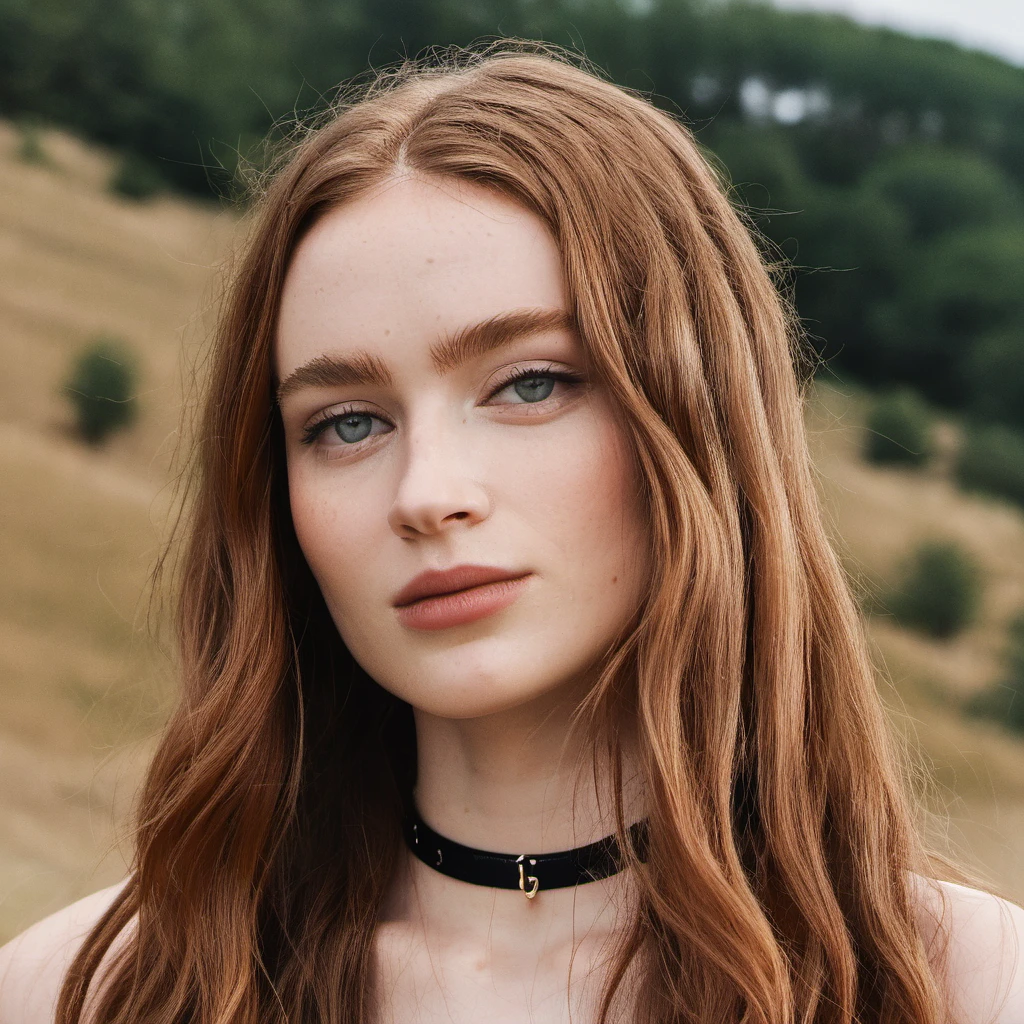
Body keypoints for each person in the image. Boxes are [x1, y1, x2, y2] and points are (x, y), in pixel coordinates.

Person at [1, 39, 1022, 1024]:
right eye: (346, 422)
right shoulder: (88, 994)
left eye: (529, 383)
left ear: (697, 418)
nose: (427, 493)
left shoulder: (966, 989)